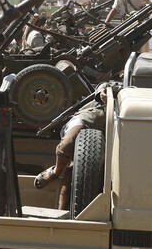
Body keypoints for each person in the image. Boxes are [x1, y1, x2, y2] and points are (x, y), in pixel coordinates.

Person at [34, 82, 113, 210]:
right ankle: (56, 170)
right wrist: (102, 92)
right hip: (88, 120)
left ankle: (63, 212)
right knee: (67, 144)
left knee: (75, 172)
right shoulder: (123, 87)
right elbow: (106, 85)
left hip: (110, 136)